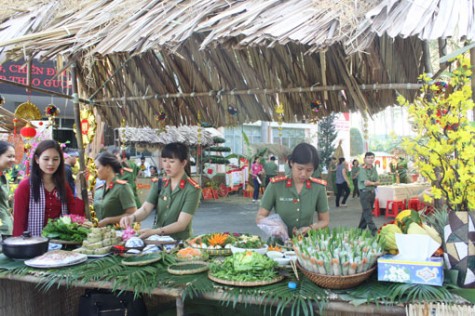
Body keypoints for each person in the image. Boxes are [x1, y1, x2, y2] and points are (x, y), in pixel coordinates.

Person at [120, 142, 201, 240]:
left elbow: (181, 224)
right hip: (156, 241)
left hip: (179, 243)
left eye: (172, 161)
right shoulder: (159, 183)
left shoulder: (192, 189)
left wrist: (155, 232)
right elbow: (145, 209)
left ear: (183, 163)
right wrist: (132, 218)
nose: (167, 166)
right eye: (164, 160)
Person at [256, 143, 330, 238]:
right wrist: (275, 226)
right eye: (300, 168)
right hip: (279, 247)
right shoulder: (276, 186)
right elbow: (260, 217)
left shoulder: (318, 188)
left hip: (306, 246)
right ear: (291, 163)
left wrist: (311, 228)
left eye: (309, 170)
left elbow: (325, 220)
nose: (303, 174)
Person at [13, 140, 76, 236]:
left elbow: (74, 214)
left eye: (55, 159)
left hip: (60, 243)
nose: (51, 163)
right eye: (46, 159)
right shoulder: (25, 186)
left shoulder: (63, 186)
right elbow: (19, 222)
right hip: (32, 244)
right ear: (37, 159)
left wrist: (79, 190)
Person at [93, 152, 137, 227]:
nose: (95, 171)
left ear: (108, 168)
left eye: (97, 168)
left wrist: (108, 220)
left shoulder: (122, 188)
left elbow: (132, 213)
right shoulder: (99, 190)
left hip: (118, 233)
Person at [357, 152, 380, 236]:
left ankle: (359, 230)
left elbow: (378, 182)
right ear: (365, 159)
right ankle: (374, 231)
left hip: (372, 193)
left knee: (365, 212)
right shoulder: (362, 169)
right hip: (365, 193)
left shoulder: (374, 168)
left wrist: (372, 183)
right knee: (368, 213)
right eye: (369, 158)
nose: (371, 159)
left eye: (372, 158)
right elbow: (366, 183)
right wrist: (374, 183)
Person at [0, 141, 16, 236]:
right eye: (9, 156)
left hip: (6, 227)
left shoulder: (3, 175)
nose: (13, 160)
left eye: (14, 156)